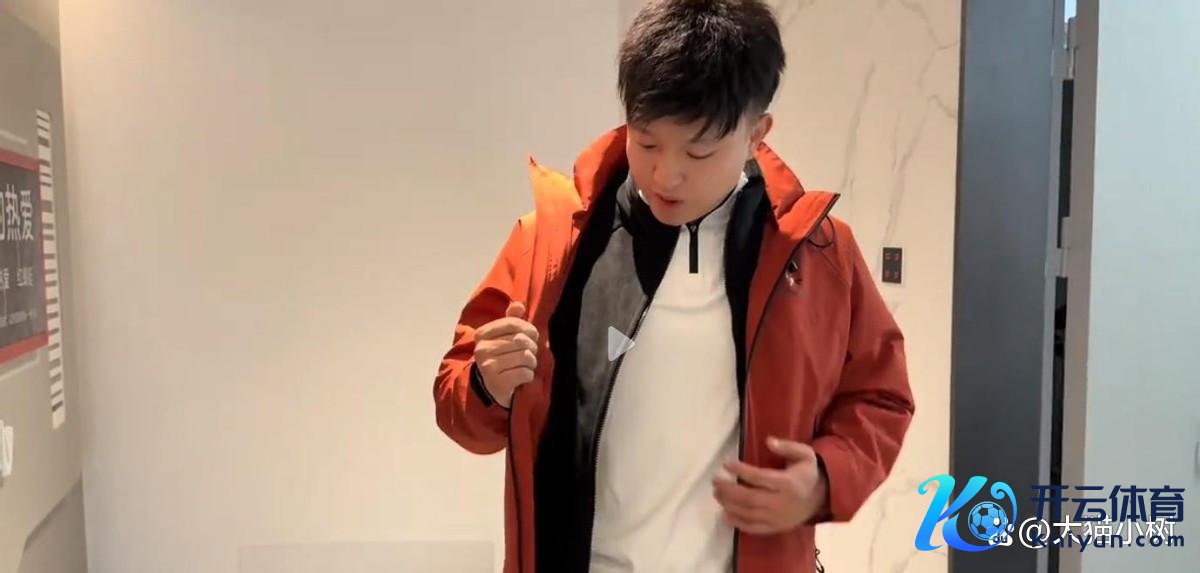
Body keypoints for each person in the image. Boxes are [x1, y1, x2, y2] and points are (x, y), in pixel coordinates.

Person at [433, 1, 915, 571]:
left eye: (698, 151)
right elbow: (460, 409)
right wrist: (487, 383)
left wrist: (826, 478)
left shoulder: (817, 255)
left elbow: (881, 396)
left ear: (757, 134)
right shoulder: (553, 245)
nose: (666, 174)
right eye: (646, 142)